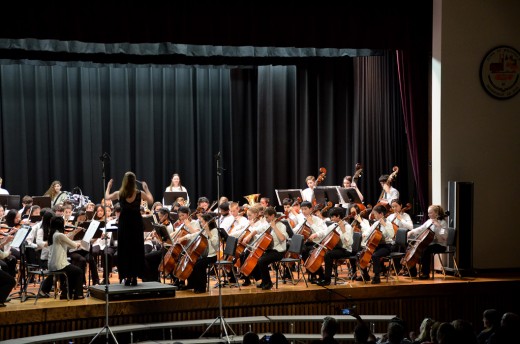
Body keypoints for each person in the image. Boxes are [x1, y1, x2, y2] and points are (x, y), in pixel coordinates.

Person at [105, 172, 153, 286]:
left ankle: (126, 277)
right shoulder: (139, 193)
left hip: (124, 224)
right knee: (136, 250)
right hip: (136, 224)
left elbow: (107, 197)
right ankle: (135, 277)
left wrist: (108, 187)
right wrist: (146, 188)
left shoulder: (119, 193)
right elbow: (151, 200)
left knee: (125, 250)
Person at [240, 206, 288, 290]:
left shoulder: (281, 225)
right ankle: (263, 281)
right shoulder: (268, 225)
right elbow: (257, 230)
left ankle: (268, 283)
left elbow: (282, 238)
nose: (266, 219)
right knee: (255, 258)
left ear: (272, 216)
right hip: (270, 250)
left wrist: (274, 227)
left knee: (262, 261)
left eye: (267, 217)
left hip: (279, 251)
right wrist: (249, 236)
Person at [176, 213, 219, 293]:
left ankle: (202, 287)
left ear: (207, 222)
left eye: (202, 222)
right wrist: (183, 237)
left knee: (198, 265)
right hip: (204, 255)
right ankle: (192, 284)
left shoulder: (214, 230)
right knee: (193, 262)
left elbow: (215, 244)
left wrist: (208, 231)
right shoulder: (203, 230)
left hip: (211, 256)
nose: (201, 224)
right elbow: (195, 235)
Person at [407, 205, 448, 279]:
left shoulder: (443, 223)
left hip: (440, 245)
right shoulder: (429, 221)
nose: (428, 215)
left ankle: (426, 273)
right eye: (428, 213)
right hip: (429, 244)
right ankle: (412, 271)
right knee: (414, 247)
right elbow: (421, 228)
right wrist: (411, 232)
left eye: (430, 213)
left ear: (436, 213)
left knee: (425, 250)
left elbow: (444, 237)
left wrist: (438, 226)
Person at [47, 216, 84, 299]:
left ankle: (66, 293)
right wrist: (78, 243)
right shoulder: (59, 235)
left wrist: (75, 231)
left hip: (52, 264)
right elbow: (73, 245)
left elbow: (66, 239)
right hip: (59, 264)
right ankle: (78, 294)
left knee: (72, 272)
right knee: (79, 271)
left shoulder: (53, 234)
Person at [357, 205, 394, 284]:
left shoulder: (388, 223)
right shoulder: (376, 223)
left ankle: (377, 276)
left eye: (375, 213)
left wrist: (385, 225)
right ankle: (365, 275)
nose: (374, 215)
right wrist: (365, 234)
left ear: (381, 214)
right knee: (361, 254)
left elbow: (391, 235)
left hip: (386, 246)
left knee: (375, 255)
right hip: (377, 245)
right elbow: (369, 231)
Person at [317, 207, 354, 286]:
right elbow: (324, 232)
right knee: (321, 252)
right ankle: (321, 276)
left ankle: (327, 280)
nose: (331, 218)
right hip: (336, 248)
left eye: (333, 217)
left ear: (338, 216)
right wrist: (316, 234)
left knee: (328, 255)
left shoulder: (347, 227)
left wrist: (343, 229)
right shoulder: (334, 225)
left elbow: (349, 243)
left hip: (345, 250)